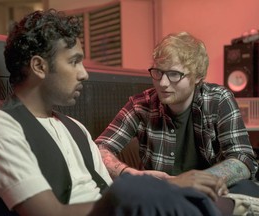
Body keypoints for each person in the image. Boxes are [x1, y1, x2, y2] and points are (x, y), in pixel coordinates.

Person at [0, 10, 226, 216]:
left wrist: (163, 186)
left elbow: (107, 191)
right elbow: (47, 212)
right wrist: (154, 188)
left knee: (227, 195)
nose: (84, 73)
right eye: (74, 61)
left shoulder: (75, 128)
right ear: (39, 66)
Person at [95, 32, 259, 198]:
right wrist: (132, 174)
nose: (163, 83)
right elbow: (98, 150)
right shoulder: (141, 104)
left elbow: (242, 159)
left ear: (198, 77)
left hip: (212, 193)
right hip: (163, 195)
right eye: (158, 72)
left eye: (174, 74)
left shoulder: (218, 99)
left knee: (246, 189)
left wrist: (196, 182)